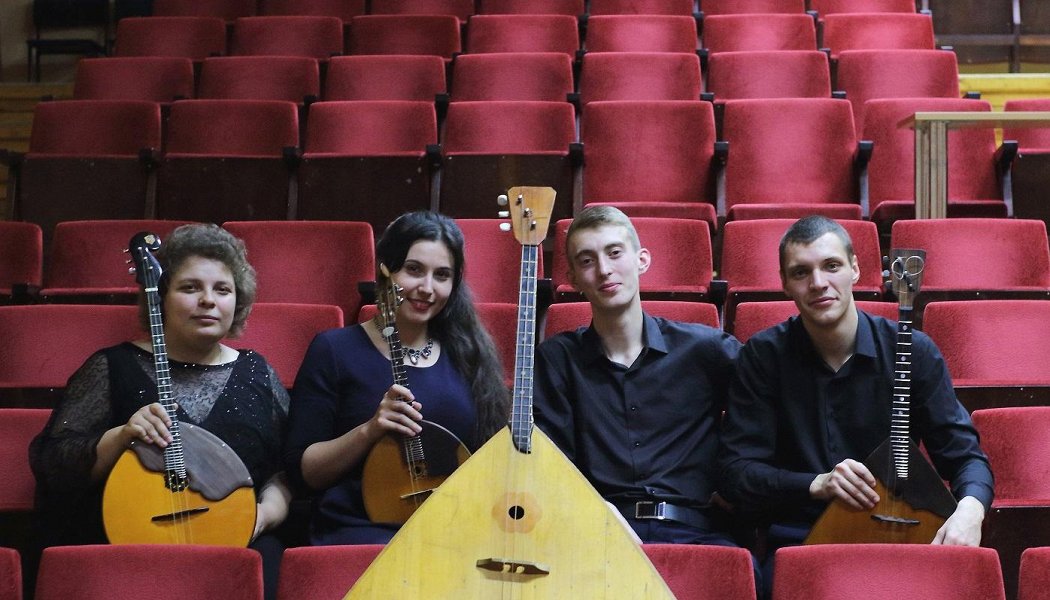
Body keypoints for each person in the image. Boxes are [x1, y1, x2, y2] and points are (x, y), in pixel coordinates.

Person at [718, 215, 994, 594]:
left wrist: (971, 511)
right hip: (802, 540)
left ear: (855, 269)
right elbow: (736, 473)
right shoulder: (763, 357)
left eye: (831, 266)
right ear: (784, 283)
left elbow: (965, 457)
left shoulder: (912, 351)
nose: (818, 282)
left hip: (901, 537)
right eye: (801, 272)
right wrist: (817, 483)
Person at [29, 223, 292, 600]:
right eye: (190, 287)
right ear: (160, 297)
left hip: (238, 540)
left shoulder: (258, 372)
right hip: (132, 540)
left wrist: (264, 515)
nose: (208, 300)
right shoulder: (112, 366)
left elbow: (288, 469)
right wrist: (121, 435)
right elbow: (53, 464)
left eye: (222, 289)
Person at [283, 211, 510, 545]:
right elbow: (305, 473)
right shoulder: (334, 349)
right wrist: (369, 430)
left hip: (452, 532)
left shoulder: (468, 353)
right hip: (358, 533)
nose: (427, 288)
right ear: (385, 271)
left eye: (442, 275)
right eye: (414, 269)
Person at [533, 205, 743, 546]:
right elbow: (550, 462)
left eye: (615, 253)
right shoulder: (557, 360)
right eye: (587, 260)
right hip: (596, 534)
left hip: (694, 532)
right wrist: (593, 510)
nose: (604, 270)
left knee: (742, 572)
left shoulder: (706, 350)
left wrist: (736, 483)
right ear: (573, 279)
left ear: (641, 260)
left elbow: (764, 411)